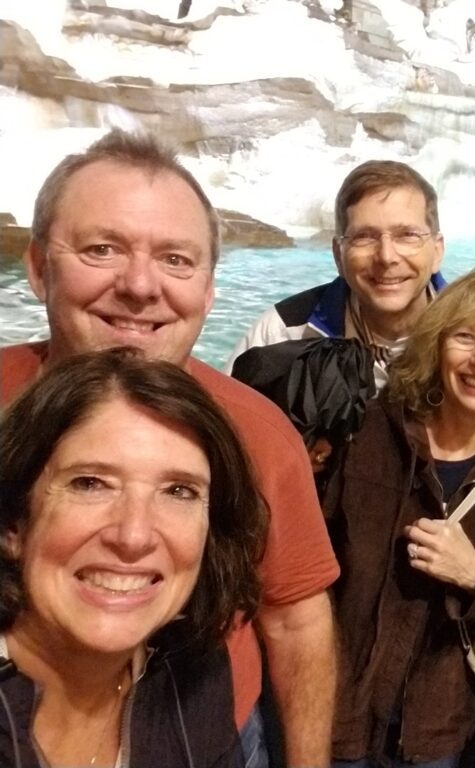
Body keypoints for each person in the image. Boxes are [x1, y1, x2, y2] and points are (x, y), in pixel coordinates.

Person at [0, 129, 339, 767]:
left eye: (177, 260)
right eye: (103, 248)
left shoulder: (258, 434)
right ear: (41, 267)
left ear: (208, 289)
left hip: (206, 740)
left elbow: (295, 621)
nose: (140, 285)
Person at [326, 267, 475, 767]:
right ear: (436, 344)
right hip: (336, 713)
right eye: (465, 338)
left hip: (437, 727)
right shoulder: (368, 430)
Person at [0, 348, 268, 767]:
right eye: (90, 483)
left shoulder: (194, 673)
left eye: (179, 491)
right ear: (13, 524)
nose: (134, 536)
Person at [227, 159, 447, 392]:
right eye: (364, 237)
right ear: (337, 254)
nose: (386, 256)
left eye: (407, 235)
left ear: (437, 251)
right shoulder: (282, 334)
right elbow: (223, 420)